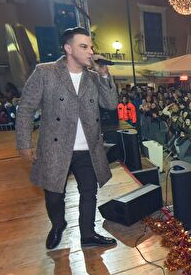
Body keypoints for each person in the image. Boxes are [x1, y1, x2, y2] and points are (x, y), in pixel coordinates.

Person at [15, 27, 118, 250]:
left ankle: (88, 233)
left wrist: (104, 75)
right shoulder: (45, 72)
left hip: (88, 148)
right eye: (84, 46)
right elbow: (25, 108)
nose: (90, 51)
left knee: (89, 192)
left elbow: (110, 104)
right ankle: (58, 225)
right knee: (54, 195)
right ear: (68, 48)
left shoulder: (93, 77)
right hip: (55, 148)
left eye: (91, 46)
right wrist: (24, 144)